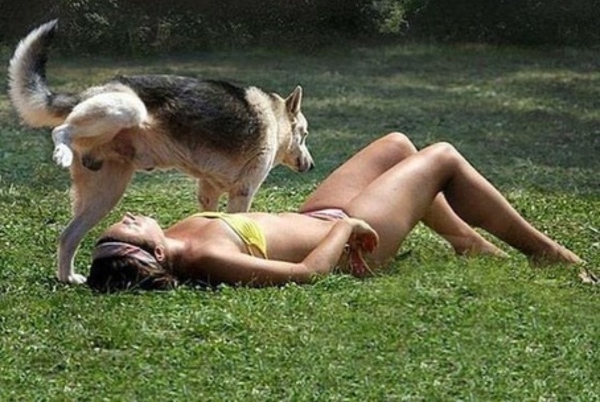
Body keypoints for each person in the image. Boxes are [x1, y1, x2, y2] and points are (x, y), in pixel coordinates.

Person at [86, 133, 583, 292]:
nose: (127, 218)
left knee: (397, 146)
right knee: (442, 157)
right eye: (127, 229)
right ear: (153, 252)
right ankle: (548, 254)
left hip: (320, 215)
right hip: (352, 243)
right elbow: (306, 273)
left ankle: (467, 242)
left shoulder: (177, 235)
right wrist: (345, 228)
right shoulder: (204, 257)